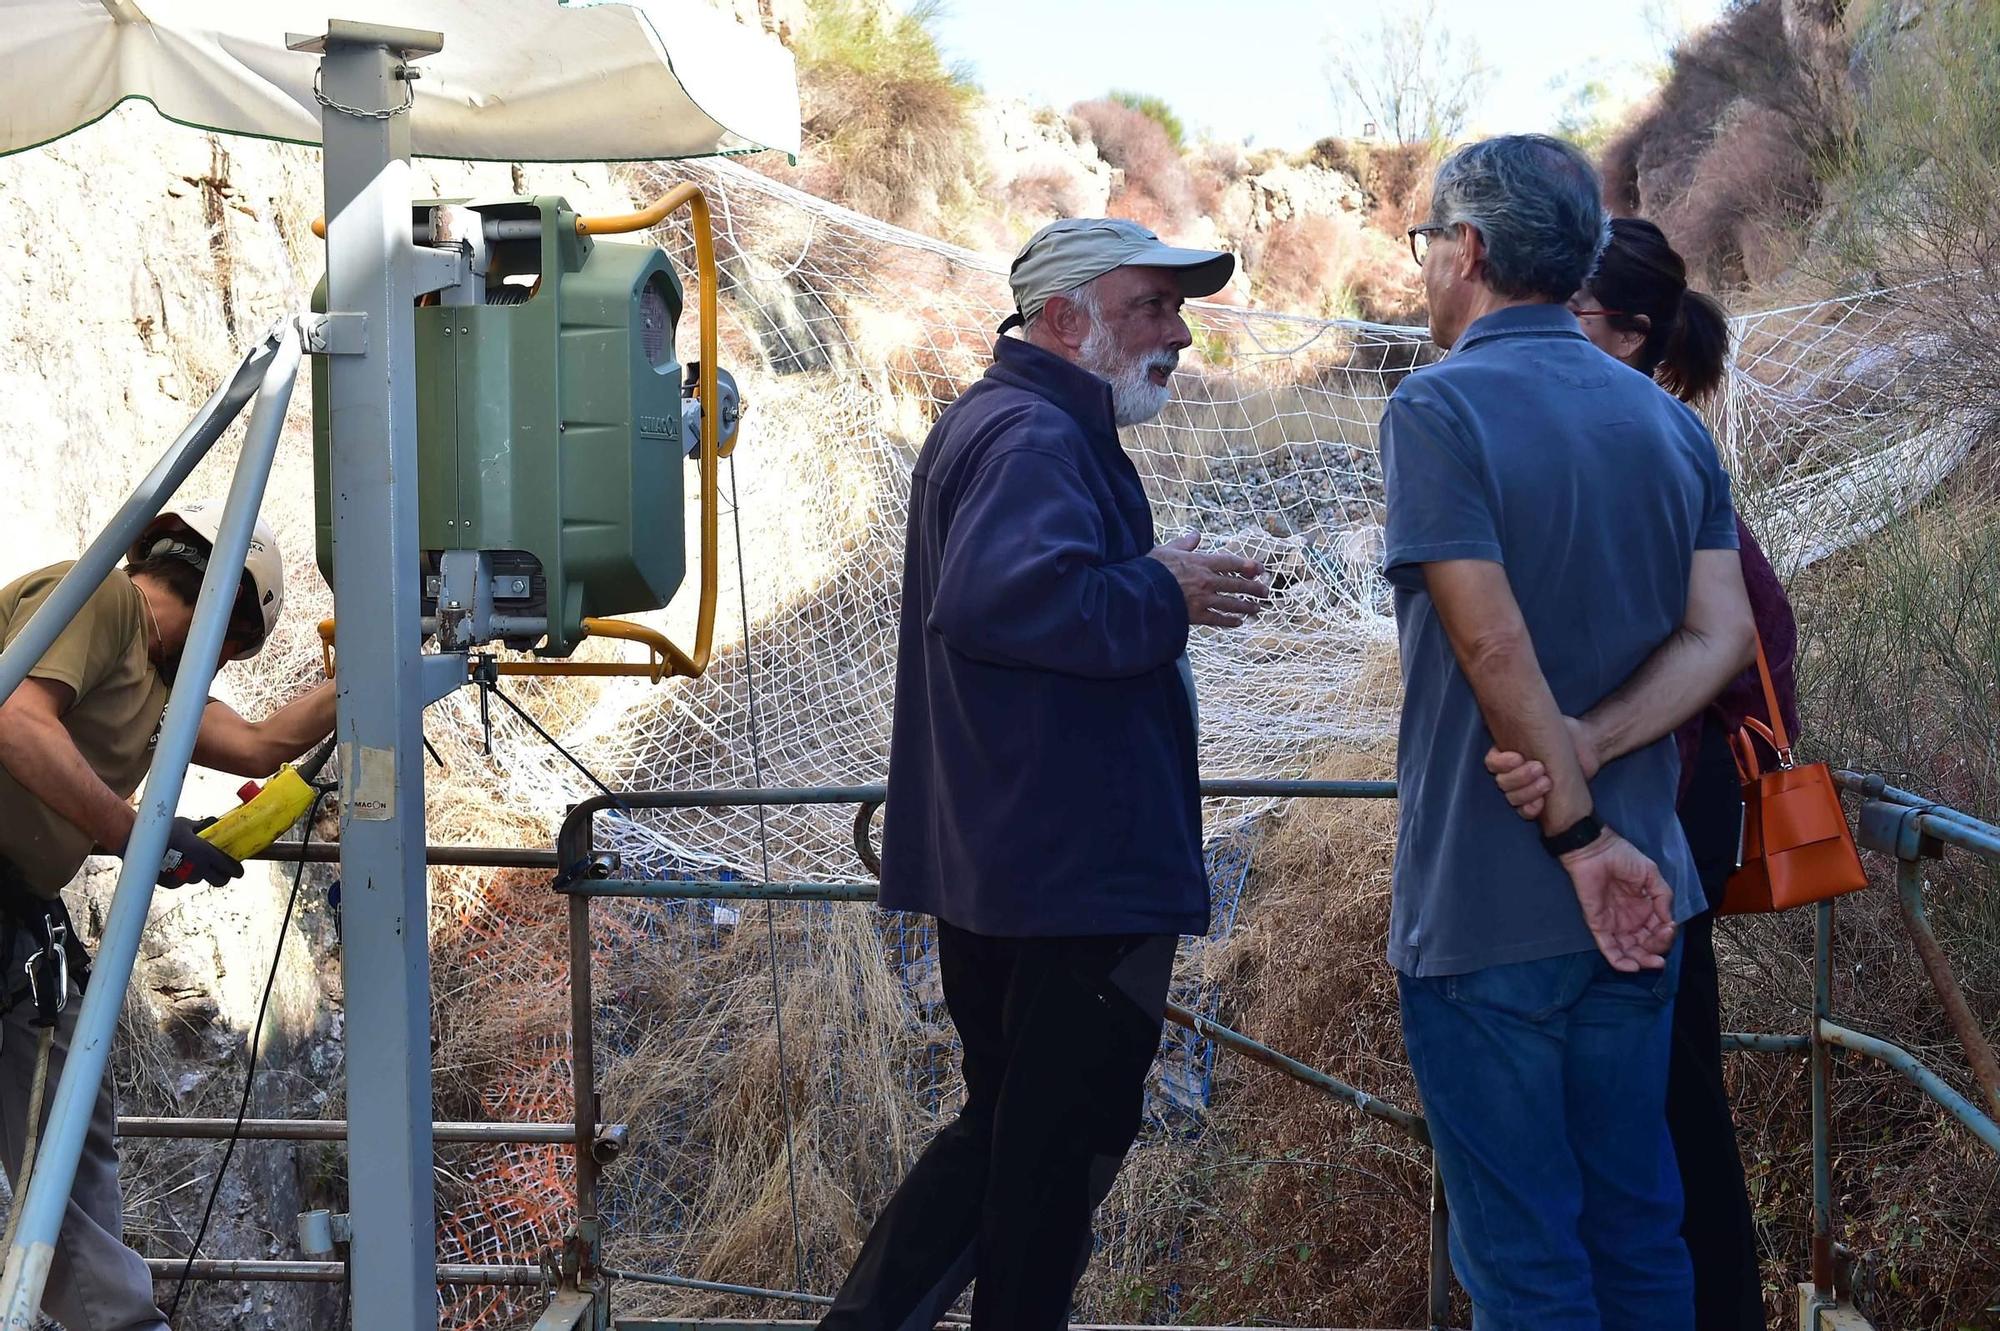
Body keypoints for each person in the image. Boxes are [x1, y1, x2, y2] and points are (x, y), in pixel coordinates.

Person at [819, 217, 1270, 1330]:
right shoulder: (1034, 435)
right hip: (1070, 872)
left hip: (1016, 861)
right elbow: (998, 600)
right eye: (1149, 307)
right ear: (1063, 319)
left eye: (1177, 309)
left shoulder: (1010, 417)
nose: (1177, 334)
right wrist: (1165, 593)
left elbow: (1012, 597)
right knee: (1047, 1155)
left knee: (1011, 1142)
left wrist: (1145, 576)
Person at [1383, 136, 1756, 1330]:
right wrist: (1590, 747)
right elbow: (1720, 636)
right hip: (1648, 896)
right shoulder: (1666, 425)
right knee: (1640, 1228)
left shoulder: (1435, 408)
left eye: (1426, 244)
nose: (1426, 268)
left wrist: (1573, 827)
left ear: (1469, 250)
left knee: (1525, 1260)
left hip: (1497, 900)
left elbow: (1489, 648)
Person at [1486, 216, 1798, 1331]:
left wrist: (1593, 739)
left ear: (1628, 339)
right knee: (1633, 1092)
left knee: (1666, 1092)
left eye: (1567, 315)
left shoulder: (1655, 447)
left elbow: (1746, 633)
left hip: (1663, 801)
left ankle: (1715, 1309)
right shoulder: (1626, 439)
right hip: (1621, 802)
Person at [0, 502, 335, 1331]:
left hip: (19, 913)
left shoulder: (159, 687)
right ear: (223, 625)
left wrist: (365, 675)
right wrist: (139, 835)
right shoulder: (104, 604)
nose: (220, 669)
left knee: (73, 1125)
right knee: (61, 1135)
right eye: (230, 651)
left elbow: (260, 744)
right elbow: (12, 720)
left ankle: (117, 1320)